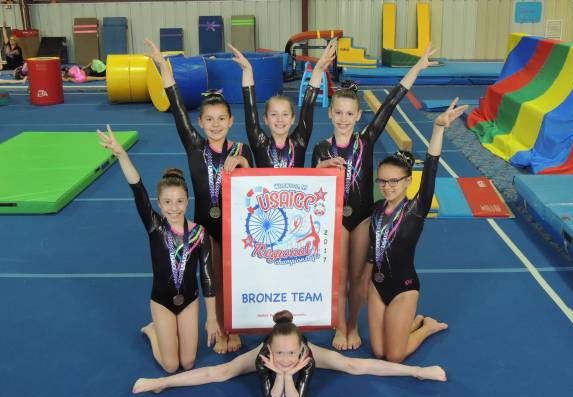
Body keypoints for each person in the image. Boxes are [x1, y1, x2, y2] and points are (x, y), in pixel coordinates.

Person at [312, 46, 438, 351]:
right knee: (338, 279)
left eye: (349, 114)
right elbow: (309, 188)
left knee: (359, 278)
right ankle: (340, 328)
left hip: (364, 218)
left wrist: (417, 68)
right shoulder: (320, 148)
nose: (343, 119)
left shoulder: (366, 140)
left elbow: (391, 103)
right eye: (338, 113)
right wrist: (319, 168)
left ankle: (353, 325)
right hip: (335, 218)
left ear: (358, 115)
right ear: (330, 112)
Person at [133, 310, 446, 397]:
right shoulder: (265, 356)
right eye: (280, 353)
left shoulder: (305, 356)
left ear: (301, 348)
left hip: (304, 351)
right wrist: (280, 372)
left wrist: (416, 371)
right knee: (223, 371)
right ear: (271, 348)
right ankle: (161, 378)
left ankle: (420, 356)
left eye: (290, 353)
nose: (285, 358)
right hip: (269, 348)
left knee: (352, 365)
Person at [144, 38, 253, 355]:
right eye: (209, 120)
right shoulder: (195, 146)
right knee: (212, 276)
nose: (216, 125)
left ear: (231, 122)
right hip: (205, 224)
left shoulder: (241, 150)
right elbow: (177, 108)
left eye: (222, 119)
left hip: (236, 224)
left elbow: (256, 185)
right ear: (201, 123)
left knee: (235, 277)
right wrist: (164, 69)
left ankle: (234, 328)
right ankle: (220, 328)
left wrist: (245, 164)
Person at [97, 125, 220, 373]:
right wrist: (122, 155)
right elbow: (137, 188)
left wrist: (212, 318)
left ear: (187, 201)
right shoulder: (154, 226)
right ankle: (153, 331)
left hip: (190, 301)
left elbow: (206, 278)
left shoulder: (199, 233)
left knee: (189, 362)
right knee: (172, 366)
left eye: (179, 201)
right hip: (162, 302)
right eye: (167, 202)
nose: (173, 207)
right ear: (158, 203)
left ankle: (170, 334)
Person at [367, 99, 467, 362]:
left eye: (394, 181)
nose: (387, 186)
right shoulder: (377, 209)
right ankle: (409, 324)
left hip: (403, 288)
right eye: (382, 181)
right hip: (376, 288)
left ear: (408, 181)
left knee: (394, 356)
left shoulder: (416, 208)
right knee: (378, 352)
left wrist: (438, 129)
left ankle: (427, 327)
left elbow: (432, 166)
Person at [229, 40, 336, 168]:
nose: (280, 119)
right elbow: (250, 109)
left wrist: (318, 70)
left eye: (285, 114)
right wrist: (247, 71)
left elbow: (308, 105)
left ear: (292, 119)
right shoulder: (260, 142)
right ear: (266, 119)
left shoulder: (299, 141)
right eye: (274, 114)